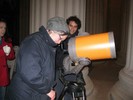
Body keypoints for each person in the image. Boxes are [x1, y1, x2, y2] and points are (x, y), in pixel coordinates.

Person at [7, 16, 69, 100]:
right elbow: (30, 72)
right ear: (51, 30)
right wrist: (47, 90)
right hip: (25, 93)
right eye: (60, 38)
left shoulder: (48, 44)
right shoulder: (33, 41)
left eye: (62, 41)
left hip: (35, 92)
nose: (59, 42)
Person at [55, 16, 90, 100]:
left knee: (70, 95)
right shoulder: (61, 36)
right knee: (57, 93)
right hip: (59, 69)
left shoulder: (79, 39)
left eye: (75, 26)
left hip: (72, 70)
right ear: (67, 25)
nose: (72, 28)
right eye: (71, 25)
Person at [0, 18, 15, 100]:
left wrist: (9, 53)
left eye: (5, 28)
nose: (3, 30)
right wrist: (3, 52)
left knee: (2, 97)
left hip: (2, 75)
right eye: (1, 27)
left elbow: (12, 56)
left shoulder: (7, 40)